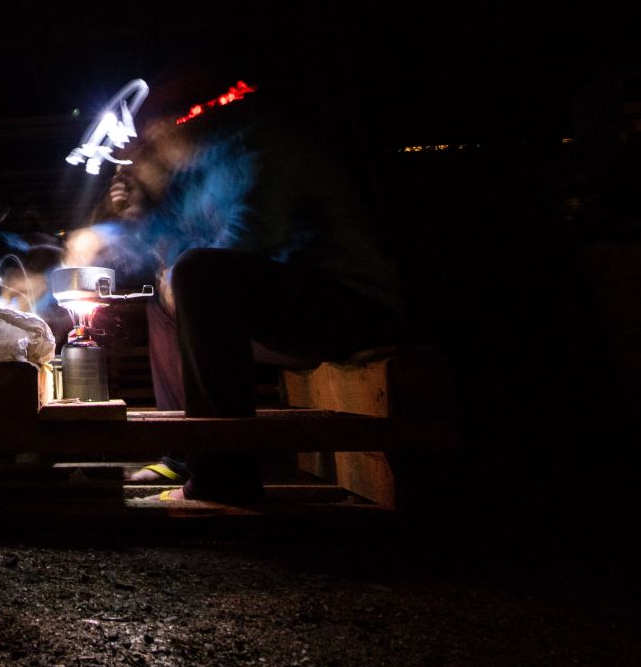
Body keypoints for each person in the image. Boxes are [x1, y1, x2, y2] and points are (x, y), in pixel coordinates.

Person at [68, 89, 405, 502]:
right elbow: (170, 245)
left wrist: (178, 273)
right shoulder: (195, 178)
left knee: (196, 275)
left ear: (185, 120)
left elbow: (251, 235)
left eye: (155, 135)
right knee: (164, 301)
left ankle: (224, 479)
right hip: (286, 312)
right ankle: (185, 452)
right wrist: (128, 219)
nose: (146, 148)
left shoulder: (263, 141)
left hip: (349, 307)